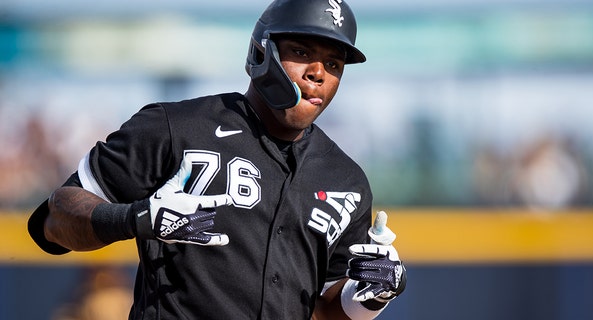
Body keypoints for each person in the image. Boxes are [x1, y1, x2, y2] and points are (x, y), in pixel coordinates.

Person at [28, 0, 407, 319]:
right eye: (302, 52)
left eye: (334, 64)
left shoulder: (346, 179)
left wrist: (369, 296)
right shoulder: (175, 127)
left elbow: (324, 309)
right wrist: (136, 218)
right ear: (263, 51)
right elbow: (53, 220)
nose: (318, 74)